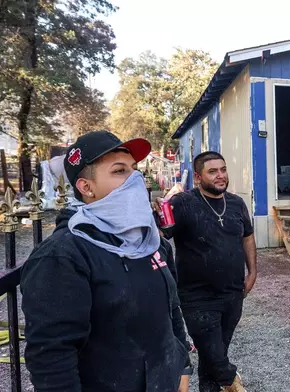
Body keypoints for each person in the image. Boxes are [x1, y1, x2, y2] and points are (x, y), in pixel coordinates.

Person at [20, 130, 191, 392]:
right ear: (86, 188)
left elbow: (171, 310)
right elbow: (52, 357)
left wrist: (182, 367)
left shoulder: (149, 241)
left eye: (134, 169)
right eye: (119, 171)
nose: (135, 179)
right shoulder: (63, 256)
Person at [161, 151, 256, 392]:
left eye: (223, 169)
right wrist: (160, 214)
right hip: (197, 297)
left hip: (233, 293)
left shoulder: (236, 203)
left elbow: (247, 236)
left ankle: (210, 387)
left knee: (213, 356)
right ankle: (233, 382)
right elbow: (160, 236)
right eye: (213, 171)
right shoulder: (182, 203)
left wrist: (253, 271)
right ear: (197, 177)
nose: (220, 175)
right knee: (215, 356)